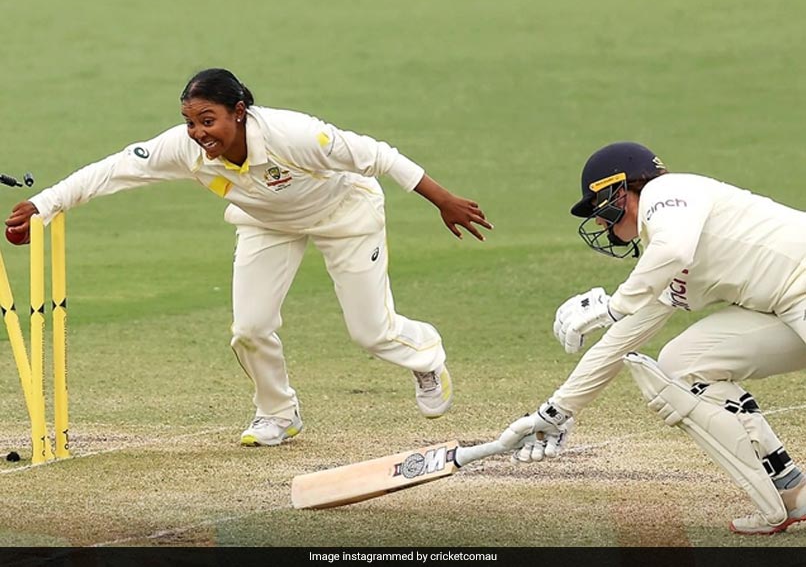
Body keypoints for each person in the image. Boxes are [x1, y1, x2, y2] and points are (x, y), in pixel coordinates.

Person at [5, 68, 493, 447]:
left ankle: (426, 354)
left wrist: (443, 200)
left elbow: (380, 155)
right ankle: (278, 414)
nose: (198, 133)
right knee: (249, 328)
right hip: (266, 223)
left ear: (239, 111)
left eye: (208, 120)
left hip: (344, 214)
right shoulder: (186, 149)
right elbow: (113, 171)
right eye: (190, 122)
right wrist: (43, 204)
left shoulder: (294, 134)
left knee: (371, 332)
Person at [495, 141, 806, 535]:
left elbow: (672, 251)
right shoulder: (666, 248)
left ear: (619, 190)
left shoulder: (667, 192)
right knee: (682, 364)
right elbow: (618, 343)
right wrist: (557, 410)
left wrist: (613, 305)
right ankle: (792, 490)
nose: (598, 222)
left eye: (596, 207)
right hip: (788, 306)